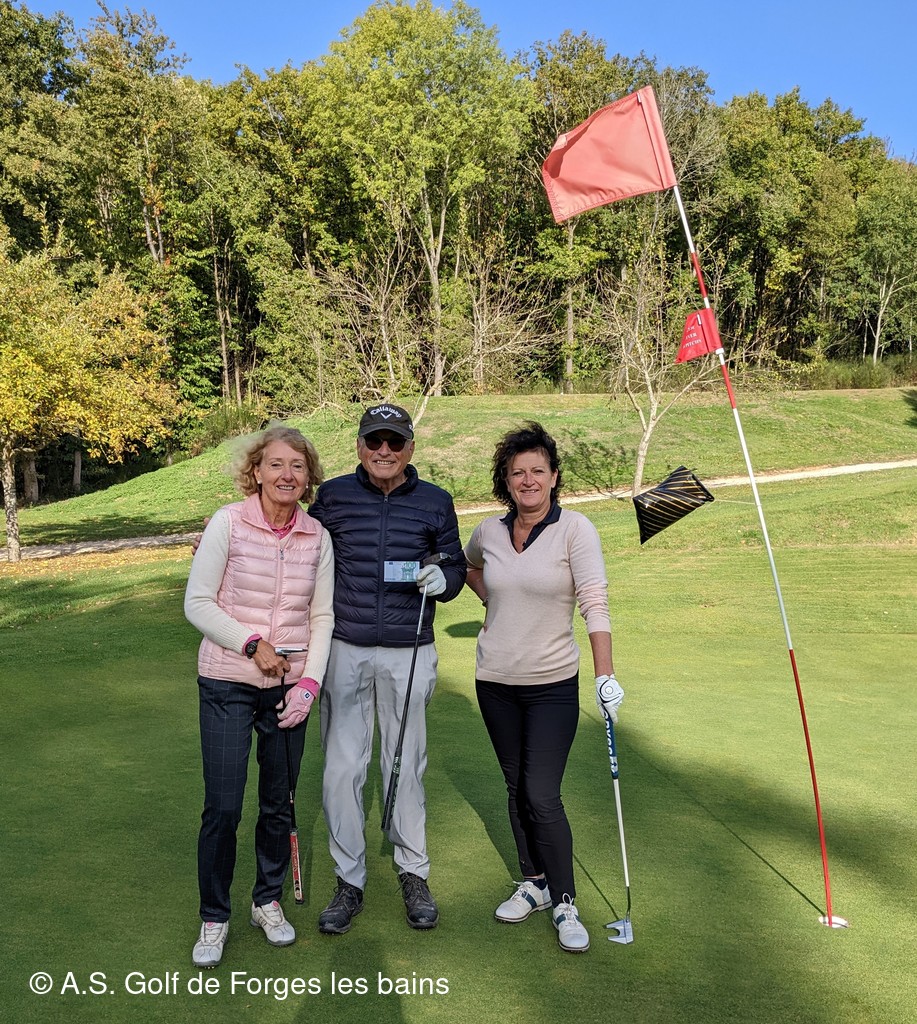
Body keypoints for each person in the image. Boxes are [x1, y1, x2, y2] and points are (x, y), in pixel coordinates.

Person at [462, 422, 624, 954]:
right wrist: (492, 601)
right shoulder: (488, 531)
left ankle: (565, 900)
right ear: (505, 481)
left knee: (541, 793)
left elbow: (594, 601)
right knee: (516, 788)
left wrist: (604, 674)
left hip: (552, 684)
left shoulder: (575, 529)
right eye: (517, 473)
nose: (528, 480)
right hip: (494, 681)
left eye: (537, 471)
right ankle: (533, 884)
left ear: (554, 476)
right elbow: (468, 566)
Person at [309, 402, 466, 934]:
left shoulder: (436, 501)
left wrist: (446, 579)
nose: (384, 451)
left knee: (405, 763)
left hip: (409, 648)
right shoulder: (333, 497)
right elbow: (299, 550)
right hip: (345, 647)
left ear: (410, 449)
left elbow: (453, 563)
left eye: (394, 442)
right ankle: (348, 880)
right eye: (374, 441)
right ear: (359, 446)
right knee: (342, 769)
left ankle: (412, 872)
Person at [184, 425, 335, 968]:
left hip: (289, 689)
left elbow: (322, 617)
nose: (286, 475)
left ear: (308, 477)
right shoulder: (227, 522)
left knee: (278, 804)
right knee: (224, 807)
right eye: (276, 464)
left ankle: (266, 900)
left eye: (297, 466)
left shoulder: (318, 536)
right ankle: (214, 915)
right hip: (227, 680)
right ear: (256, 471)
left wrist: (310, 684)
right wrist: (252, 644)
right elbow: (198, 603)